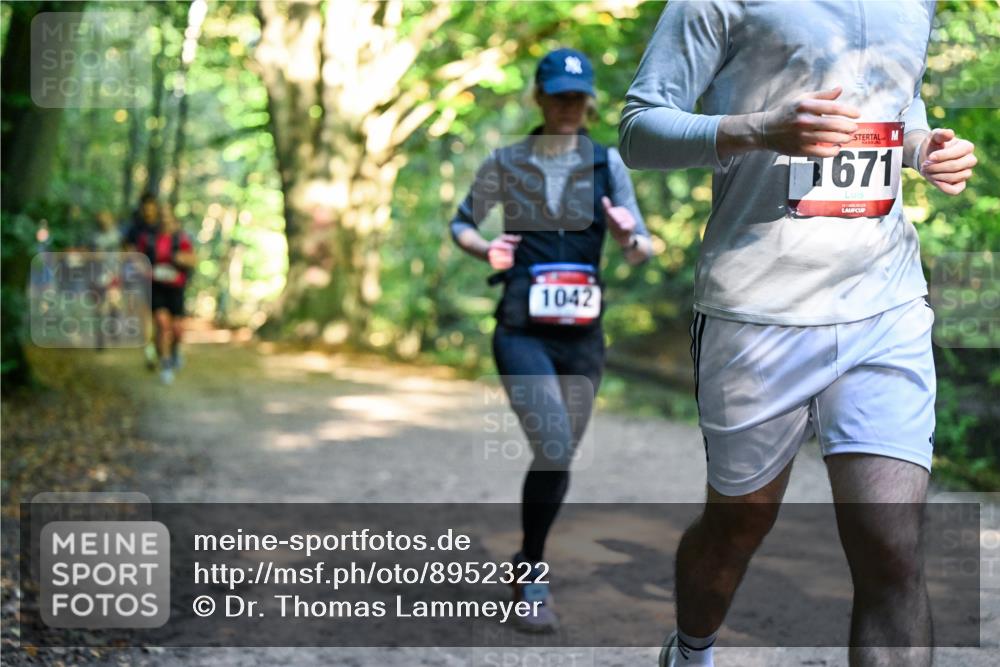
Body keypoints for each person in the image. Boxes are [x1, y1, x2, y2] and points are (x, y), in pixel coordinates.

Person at [618, 2, 977, 666]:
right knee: (739, 522)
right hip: (756, 310)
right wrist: (757, 130)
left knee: (893, 547)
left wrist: (926, 149)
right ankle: (691, 651)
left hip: (884, 303)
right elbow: (639, 130)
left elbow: (898, 106)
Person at [451, 47, 653, 632]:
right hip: (521, 330)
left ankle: (524, 562)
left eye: (577, 96)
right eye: (558, 95)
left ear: (588, 101)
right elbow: (463, 222)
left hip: (584, 338)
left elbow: (642, 247)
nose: (568, 105)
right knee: (556, 442)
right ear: (539, 97)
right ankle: (534, 575)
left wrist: (628, 238)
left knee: (555, 455)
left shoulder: (606, 164)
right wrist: (483, 247)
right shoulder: (507, 161)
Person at [137, 204, 195, 385]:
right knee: (162, 324)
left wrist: (180, 259)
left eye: (169, 218)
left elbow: (193, 259)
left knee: (177, 330)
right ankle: (166, 363)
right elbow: (137, 259)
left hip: (176, 288)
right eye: (162, 218)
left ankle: (175, 350)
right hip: (156, 286)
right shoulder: (149, 239)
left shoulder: (181, 239)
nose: (165, 221)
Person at [125, 192, 163, 369]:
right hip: (140, 279)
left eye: (151, 206)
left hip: (161, 279)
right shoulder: (135, 228)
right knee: (143, 316)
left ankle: (158, 348)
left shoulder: (162, 227)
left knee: (160, 318)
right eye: (145, 206)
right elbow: (127, 250)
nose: (148, 210)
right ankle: (150, 352)